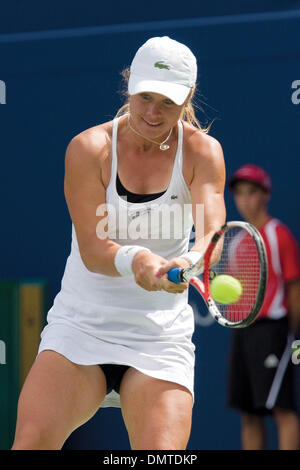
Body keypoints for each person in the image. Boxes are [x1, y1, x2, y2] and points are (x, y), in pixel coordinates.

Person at [11, 36, 226, 450]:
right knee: (31, 441)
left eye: (167, 101)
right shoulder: (89, 148)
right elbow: (95, 251)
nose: (152, 111)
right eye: (146, 96)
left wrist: (192, 260)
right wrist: (138, 261)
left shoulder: (202, 153)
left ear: (188, 98)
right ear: (129, 84)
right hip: (80, 326)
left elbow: (213, 231)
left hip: (159, 337)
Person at [227, 164, 300, 450]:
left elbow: (294, 287)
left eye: (251, 192)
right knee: (249, 413)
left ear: (265, 195)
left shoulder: (278, 234)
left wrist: (296, 340)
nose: (245, 200)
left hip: (275, 332)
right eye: (240, 194)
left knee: (283, 410)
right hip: (244, 332)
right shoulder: (235, 242)